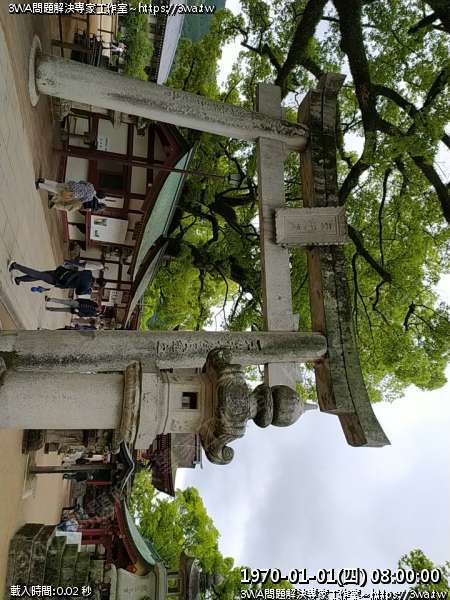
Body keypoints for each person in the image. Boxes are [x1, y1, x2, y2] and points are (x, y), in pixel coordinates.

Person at [9, 261, 94, 295]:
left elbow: (79, 272)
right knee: (38, 275)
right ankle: (15, 265)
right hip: (58, 281)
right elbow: (78, 292)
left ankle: (19, 279)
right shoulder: (86, 286)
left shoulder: (89, 272)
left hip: (61, 272)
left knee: (39, 276)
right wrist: (87, 291)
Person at [35, 178, 105, 211]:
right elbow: (81, 200)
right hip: (72, 193)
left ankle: (44, 181)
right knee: (56, 190)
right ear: (98, 197)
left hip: (72, 184)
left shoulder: (91, 185)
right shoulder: (90, 197)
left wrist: (78, 186)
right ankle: (40, 185)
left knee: (57, 185)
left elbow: (81, 181)